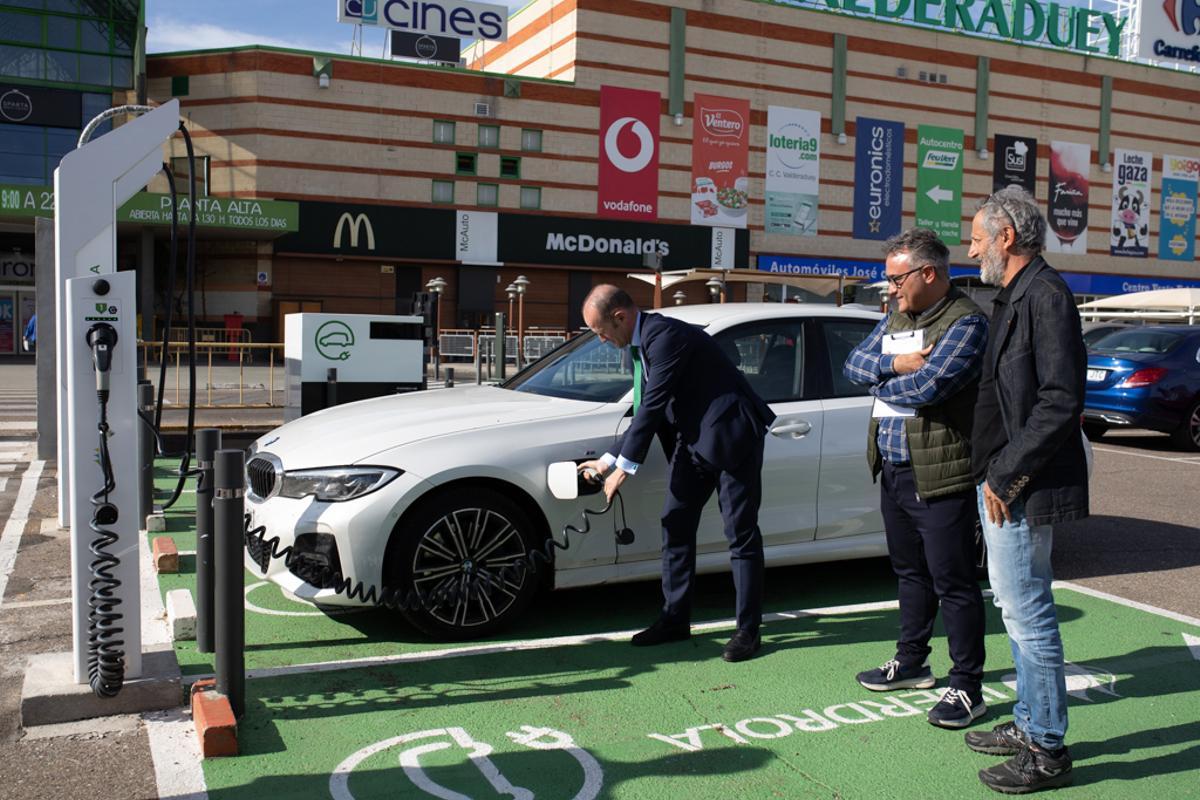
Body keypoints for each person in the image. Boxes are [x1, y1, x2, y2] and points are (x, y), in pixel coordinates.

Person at [964, 186, 1088, 794]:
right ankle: (1029, 723)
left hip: (1019, 486)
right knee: (1017, 613)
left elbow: (1061, 401)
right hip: (1003, 480)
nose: (972, 248)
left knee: (1028, 613)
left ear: (1007, 237)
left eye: (978, 237)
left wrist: (1005, 475)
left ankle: (1046, 748)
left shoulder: (1046, 296)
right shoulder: (1015, 294)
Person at [577, 285, 775, 662]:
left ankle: (748, 632)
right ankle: (675, 619)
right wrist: (607, 460)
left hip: (731, 437)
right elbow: (645, 409)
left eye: (601, 331)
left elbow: (652, 405)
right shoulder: (641, 346)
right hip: (693, 442)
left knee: (741, 534)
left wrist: (625, 468)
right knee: (676, 522)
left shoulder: (664, 336)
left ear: (620, 317)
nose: (602, 340)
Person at [843, 228, 989, 729]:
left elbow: (930, 386)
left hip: (941, 472)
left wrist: (887, 374)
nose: (890, 289)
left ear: (929, 273)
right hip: (894, 468)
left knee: (954, 582)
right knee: (910, 574)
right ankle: (911, 662)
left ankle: (968, 686)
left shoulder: (966, 322)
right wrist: (894, 362)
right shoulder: (898, 316)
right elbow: (852, 362)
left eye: (896, 278)